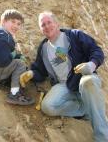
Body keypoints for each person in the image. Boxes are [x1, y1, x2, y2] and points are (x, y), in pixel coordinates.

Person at [20, 11, 108, 141]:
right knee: (47, 106)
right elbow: (40, 70)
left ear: (56, 23)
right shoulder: (44, 48)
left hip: (82, 77)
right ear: (40, 29)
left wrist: (91, 65)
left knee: (88, 81)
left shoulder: (74, 35)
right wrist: (31, 73)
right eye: (43, 25)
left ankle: (102, 137)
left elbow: (96, 51)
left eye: (49, 22)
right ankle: (83, 110)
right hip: (64, 85)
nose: (47, 26)